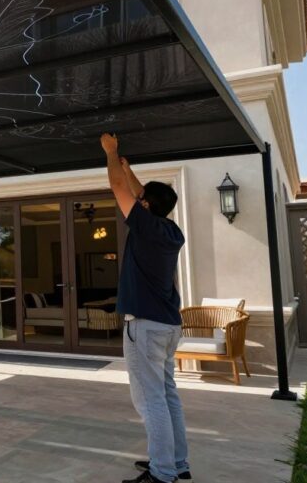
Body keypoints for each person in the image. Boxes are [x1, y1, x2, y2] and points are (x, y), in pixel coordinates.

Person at [100, 133, 191, 483]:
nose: (137, 200)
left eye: (142, 200)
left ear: (147, 206)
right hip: (168, 326)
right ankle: (176, 465)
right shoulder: (171, 230)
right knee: (167, 396)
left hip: (146, 327)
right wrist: (129, 167)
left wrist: (111, 154)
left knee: (149, 401)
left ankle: (162, 473)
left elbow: (117, 188)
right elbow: (139, 192)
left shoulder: (145, 225)